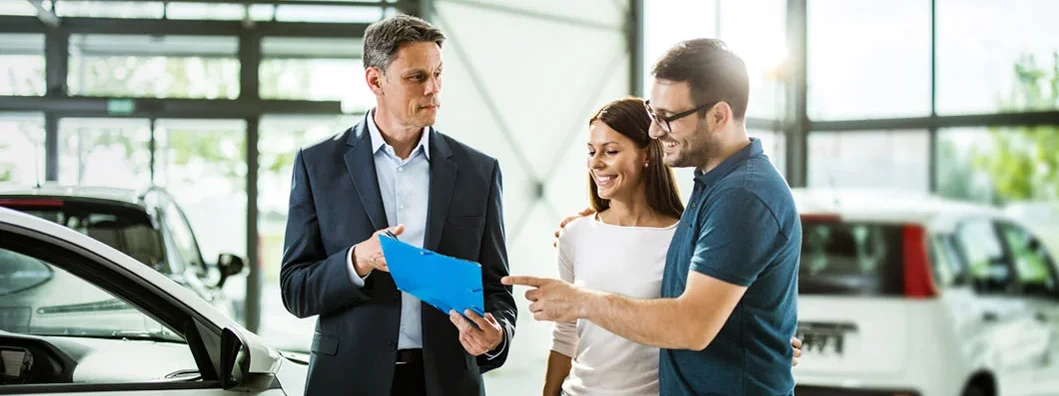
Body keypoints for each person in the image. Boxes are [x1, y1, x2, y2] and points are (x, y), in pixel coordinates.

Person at [506, 38, 802, 396]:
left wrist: (580, 300)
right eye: (652, 114)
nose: (655, 131)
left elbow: (691, 325)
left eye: (667, 118)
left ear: (719, 115)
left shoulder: (742, 196)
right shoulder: (712, 185)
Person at [280, 14, 517, 396]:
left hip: (448, 381)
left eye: (439, 74)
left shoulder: (479, 171)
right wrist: (359, 259)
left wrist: (497, 335)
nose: (434, 89)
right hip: (348, 381)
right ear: (375, 80)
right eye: (417, 77)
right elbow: (295, 289)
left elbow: (497, 288)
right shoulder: (318, 164)